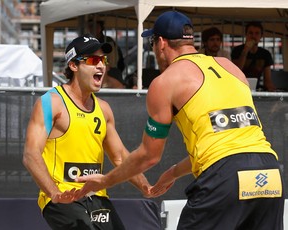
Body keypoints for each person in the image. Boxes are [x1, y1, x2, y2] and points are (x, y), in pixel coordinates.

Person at [72, 11, 285, 229]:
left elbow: (149, 156)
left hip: (224, 176)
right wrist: (172, 173)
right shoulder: (231, 68)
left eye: (152, 43)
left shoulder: (166, 81)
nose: (154, 50)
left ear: (161, 42)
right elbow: (227, 144)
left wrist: (105, 180)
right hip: (269, 171)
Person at [22, 34, 150, 229]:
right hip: (63, 196)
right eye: (93, 60)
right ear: (73, 65)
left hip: (96, 196)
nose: (101, 66)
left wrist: (145, 187)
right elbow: (31, 154)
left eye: (103, 60)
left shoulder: (104, 109)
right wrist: (54, 193)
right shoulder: (52, 103)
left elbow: (120, 157)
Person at [231, 21, 276, 91]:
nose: (253, 36)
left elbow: (267, 79)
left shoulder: (265, 54)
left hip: (256, 89)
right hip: (238, 88)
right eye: (250, 33)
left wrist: (272, 91)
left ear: (261, 36)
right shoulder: (237, 50)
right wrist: (245, 51)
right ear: (246, 34)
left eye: (257, 33)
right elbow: (236, 71)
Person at [87, 19, 126, 88]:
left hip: (111, 71)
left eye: (96, 26)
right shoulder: (88, 42)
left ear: (101, 28)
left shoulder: (108, 41)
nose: (93, 29)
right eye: (90, 26)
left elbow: (113, 62)